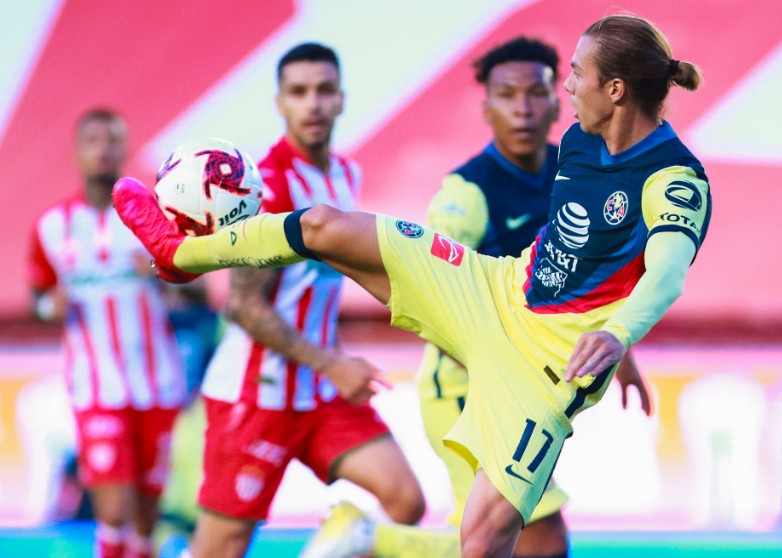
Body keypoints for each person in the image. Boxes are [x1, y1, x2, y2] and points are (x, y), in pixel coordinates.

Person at [114, 14, 710, 558]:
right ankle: (180, 254)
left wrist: (617, 335)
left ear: (615, 89)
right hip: (491, 290)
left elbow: (665, 271)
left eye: (575, 74)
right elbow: (586, 255)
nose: (564, 89)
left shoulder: (674, 177)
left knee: (488, 543)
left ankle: (375, 541)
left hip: (543, 373)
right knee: (323, 224)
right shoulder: (578, 143)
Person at [301, 36, 651, 558]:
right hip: (467, 388)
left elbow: (597, 279)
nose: (524, 108)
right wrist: (498, 368)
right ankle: (375, 539)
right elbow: (433, 292)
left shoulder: (580, 175)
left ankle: (374, 539)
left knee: (521, 543)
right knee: (525, 543)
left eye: (536, 93)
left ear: (559, 99)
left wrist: (621, 350)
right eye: (508, 95)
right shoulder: (466, 194)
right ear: (486, 106)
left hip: (525, 391)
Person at [179, 43, 425, 558]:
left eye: (323, 90)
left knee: (405, 502)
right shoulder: (266, 186)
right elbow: (243, 306)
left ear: (341, 100)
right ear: (280, 103)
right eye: (299, 92)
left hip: (317, 392)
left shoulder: (344, 175)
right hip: (255, 396)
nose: (312, 103)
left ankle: (335, 544)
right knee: (217, 551)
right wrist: (331, 362)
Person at [27, 108, 187, 558]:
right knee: (114, 511)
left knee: (144, 518)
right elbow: (38, 295)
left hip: (158, 385)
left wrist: (165, 272)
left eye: (112, 139)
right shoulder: (52, 227)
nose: (103, 148)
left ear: (125, 148)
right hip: (97, 388)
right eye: (93, 139)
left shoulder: (156, 218)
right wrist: (49, 306)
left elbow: (196, 296)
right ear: (78, 151)